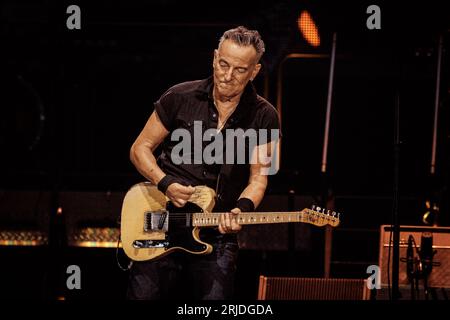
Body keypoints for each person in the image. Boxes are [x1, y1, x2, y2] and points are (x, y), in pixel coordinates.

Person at [127, 26, 280, 300]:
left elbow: (259, 178)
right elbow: (140, 149)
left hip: (217, 232)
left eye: (240, 70)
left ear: (255, 71)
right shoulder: (179, 97)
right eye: (223, 64)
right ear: (214, 58)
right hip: (162, 220)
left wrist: (241, 210)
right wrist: (166, 183)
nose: (227, 75)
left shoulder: (266, 116)